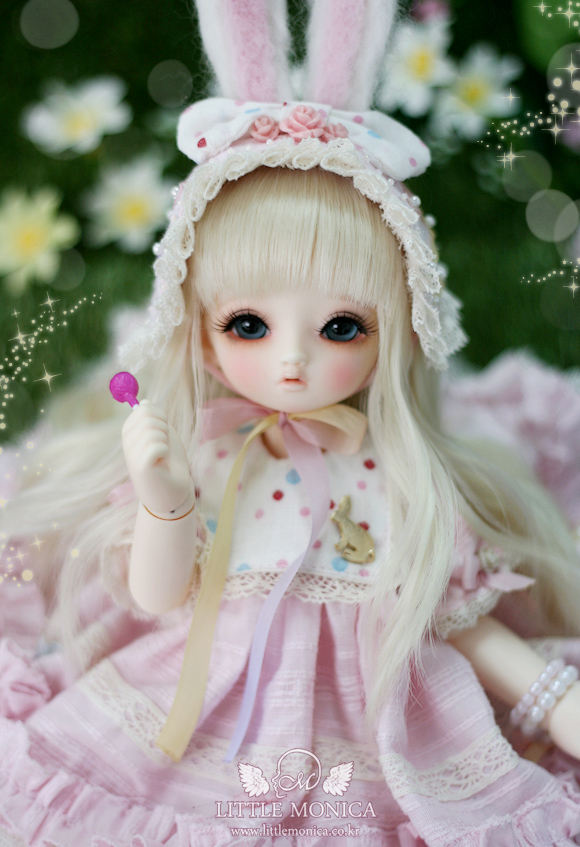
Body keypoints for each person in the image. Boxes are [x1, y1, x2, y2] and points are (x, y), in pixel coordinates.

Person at [1, 1, 580, 844]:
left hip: (370, 722)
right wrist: (165, 501)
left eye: (342, 327)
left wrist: (555, 700)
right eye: (249, 325)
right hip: (200, 708)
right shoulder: (213, 452)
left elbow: (457, 620)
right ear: (195, 326)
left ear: (399, 328)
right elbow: (159, 595)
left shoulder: (397, 474)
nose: (293, 362)